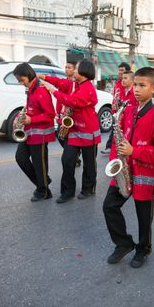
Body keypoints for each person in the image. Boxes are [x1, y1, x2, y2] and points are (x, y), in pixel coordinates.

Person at [103, 67, 154, 268]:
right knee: (109, 206)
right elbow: (118, 140)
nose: (137, 89)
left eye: (142, 85)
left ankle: (143, 249)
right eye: (135, 85)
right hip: (124, 171)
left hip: (144, 175)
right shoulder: (128, 110)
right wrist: (115, 160)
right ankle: (123, 244)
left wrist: (134, 151)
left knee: (144, 217)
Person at [44, 59, 101, 203]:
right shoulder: (75, 84)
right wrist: (43, 77)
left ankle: (88, 189)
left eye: (76, 69)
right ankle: (68, 191)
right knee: (67, 160)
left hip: (88, 131)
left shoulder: (88, 88)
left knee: (89, 164)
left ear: (84, 73)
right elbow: (60, 82)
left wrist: (52, 91)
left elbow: (71, 101)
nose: (73, 71)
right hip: (74, 130)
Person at [13, 63, 56, 202]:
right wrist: (22, 116)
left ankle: (43, 190)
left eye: (22, 80)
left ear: (29, 74)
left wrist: (31, 119)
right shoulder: (31, 89)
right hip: (30, 131)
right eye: (19, 81)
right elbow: (32, 108)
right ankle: (43, 182)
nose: (21, 83)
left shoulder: (41, 90)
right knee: (21, 158)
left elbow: (50, 114)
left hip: (41, 133)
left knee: (39, 163)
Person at [38, 62, 82, 167]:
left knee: (66, 139)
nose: (66, 69)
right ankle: (75, 155)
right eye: (66, 67)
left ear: (75, 70)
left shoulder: (73, 83)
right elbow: (60, 98)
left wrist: (43, 77)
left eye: (69, 68)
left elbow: (57, 82)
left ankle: (74, 155)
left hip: (71, 114)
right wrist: (58, 112)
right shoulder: (66, 81)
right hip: (63, 114)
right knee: (60, 135)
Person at [102, 62, 131, 154]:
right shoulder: (117, 83)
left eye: (122, 70)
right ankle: (111, 147)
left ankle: (115, 148)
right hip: (117, 111)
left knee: (120, 130)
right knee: (115, 129)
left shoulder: (128, 83)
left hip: (126, 111)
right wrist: (113, 106)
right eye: (119, 70)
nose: (119, 72)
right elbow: (115, 96)